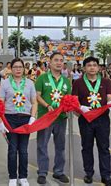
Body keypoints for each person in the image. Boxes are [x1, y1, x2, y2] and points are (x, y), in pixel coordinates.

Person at [72, 57, 111, 186]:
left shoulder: (106, 82)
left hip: (102, 119)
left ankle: (106, 175)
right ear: (84, 68)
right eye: (89, 65)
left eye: (94, 65)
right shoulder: (78, 83)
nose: (92, 67)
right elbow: (74, 101)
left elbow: (110, 97)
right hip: (86, 119)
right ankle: (88, 173)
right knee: (86, 147)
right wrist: (80, 108)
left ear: (98, 67)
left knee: (104, 147)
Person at [0, 58, 37, 186]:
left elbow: (34, 102)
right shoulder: (5, 83)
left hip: (25, 119)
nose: (18, 69)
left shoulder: (30, 83)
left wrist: (33, 117)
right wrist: (0, 121)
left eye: (20, 67)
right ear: (11, 69)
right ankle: (13, 177)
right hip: (10, 119)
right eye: (15, 67)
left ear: (24, 69)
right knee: (13, 149)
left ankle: (23, 177)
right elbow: (0, 102)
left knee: (23, 150)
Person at [34, 53, 71, 185]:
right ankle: (42, 172)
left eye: (61, 60)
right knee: (42, 145)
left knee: (60, 146)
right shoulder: (42, 78)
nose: (59, 63)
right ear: (49, 62)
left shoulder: (66, 81)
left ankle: (59, 172)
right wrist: (47, 105)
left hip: (61, 118)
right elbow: (37, 96)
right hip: (45, 117)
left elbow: (68, 99)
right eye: (56, 60)